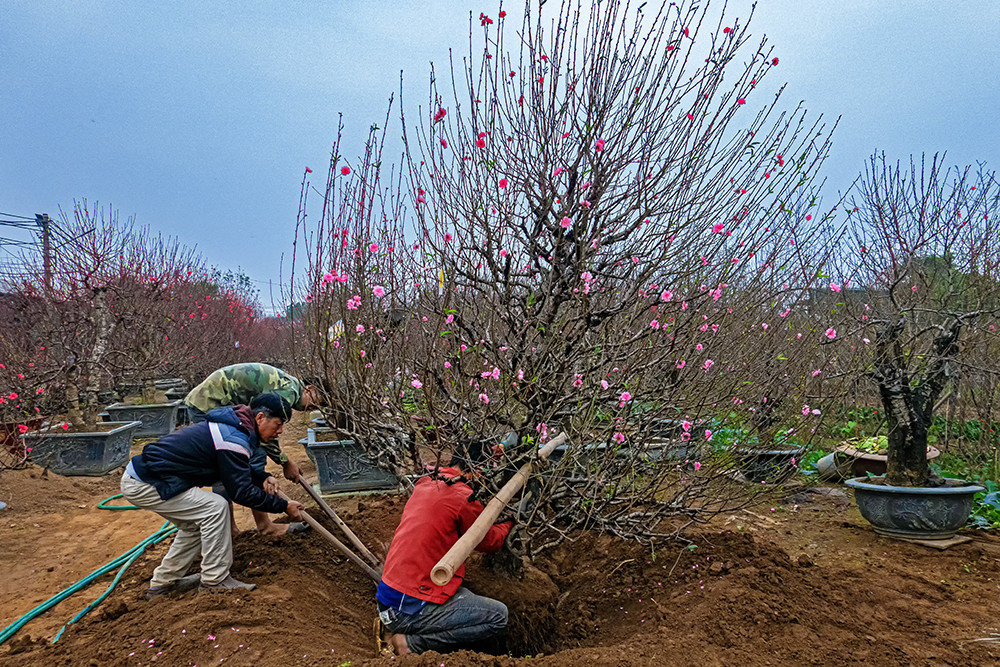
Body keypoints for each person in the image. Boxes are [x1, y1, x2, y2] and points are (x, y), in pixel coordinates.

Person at [120, 393, 304, 599]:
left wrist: (261, 477)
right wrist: (283, 506)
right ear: (260, 418)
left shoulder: (236, 429)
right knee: (215, 508)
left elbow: (232, 467)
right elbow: (241, 492)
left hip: (150, 476)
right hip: (148, 481)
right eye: (278, 424)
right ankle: (214, 580)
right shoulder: (234, 437)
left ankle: (164, 584)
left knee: (194, 526)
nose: (280, 432)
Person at [376, 450, 512, 656]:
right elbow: (490, 541)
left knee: (464, 596)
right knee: (497, 615)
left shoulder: (427, 482)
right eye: (482, 473)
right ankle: (409, 644)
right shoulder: (463, 496)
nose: (483, 479)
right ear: (474, 470)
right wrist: (510, 520)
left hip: (390, 598)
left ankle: (395, 626)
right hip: (407, 608)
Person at [184, 363, 323, 537]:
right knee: (234, 461)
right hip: (210, 402)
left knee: (242, 458)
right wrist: (285, 462)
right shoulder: (289, 391)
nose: (315, 408)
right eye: (318, 401)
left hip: (210, 400)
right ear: (309, 389)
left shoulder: (288, 386)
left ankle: (236, 528)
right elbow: (267, 431)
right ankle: (257, 527)